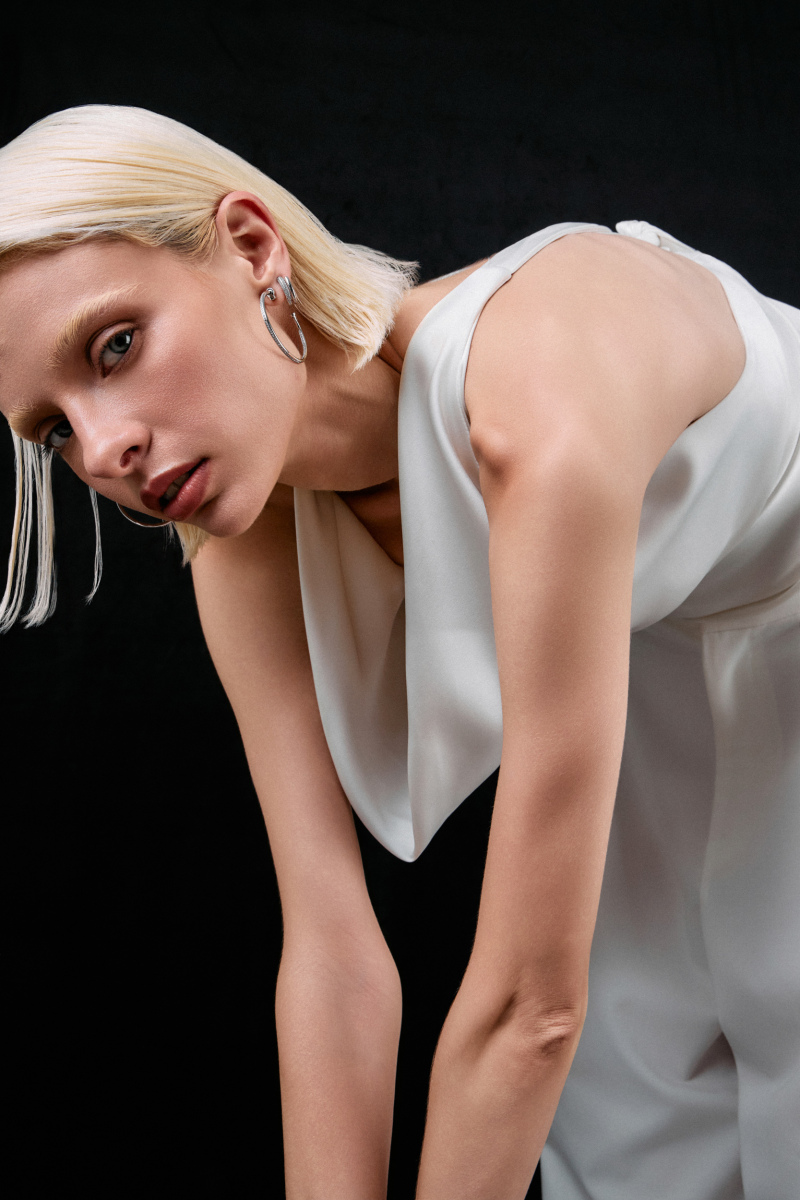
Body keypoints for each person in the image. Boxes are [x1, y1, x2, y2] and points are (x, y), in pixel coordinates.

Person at [0, 105, 797, 1200]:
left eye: (117, 347)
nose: (104, 448)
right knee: (631, 1150)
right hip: (653, 737)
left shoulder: (539, 389)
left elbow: (529, 1009)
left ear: (252, 245)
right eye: (53, 428)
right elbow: (333, 962)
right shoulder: (244, 545)